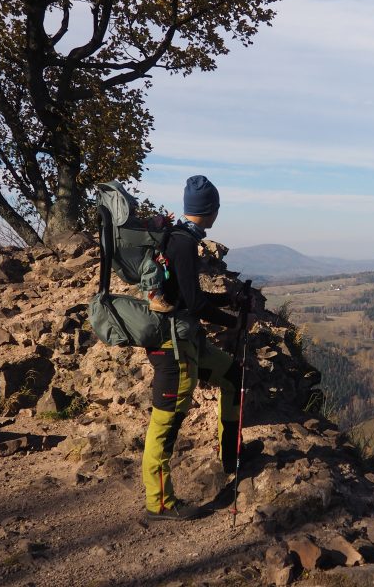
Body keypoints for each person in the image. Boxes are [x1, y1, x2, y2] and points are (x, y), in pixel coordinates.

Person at [141, 175, 251, 520]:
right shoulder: (183, 244)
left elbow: (188, 296)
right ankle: (158, 503)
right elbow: (193, 301)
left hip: (187, 339)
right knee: (167, 421)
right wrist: (231, 321)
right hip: (173, 348)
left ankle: (231, 455)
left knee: (233, 374)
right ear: (212, 210)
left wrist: (226, 297)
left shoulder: (179, 238)